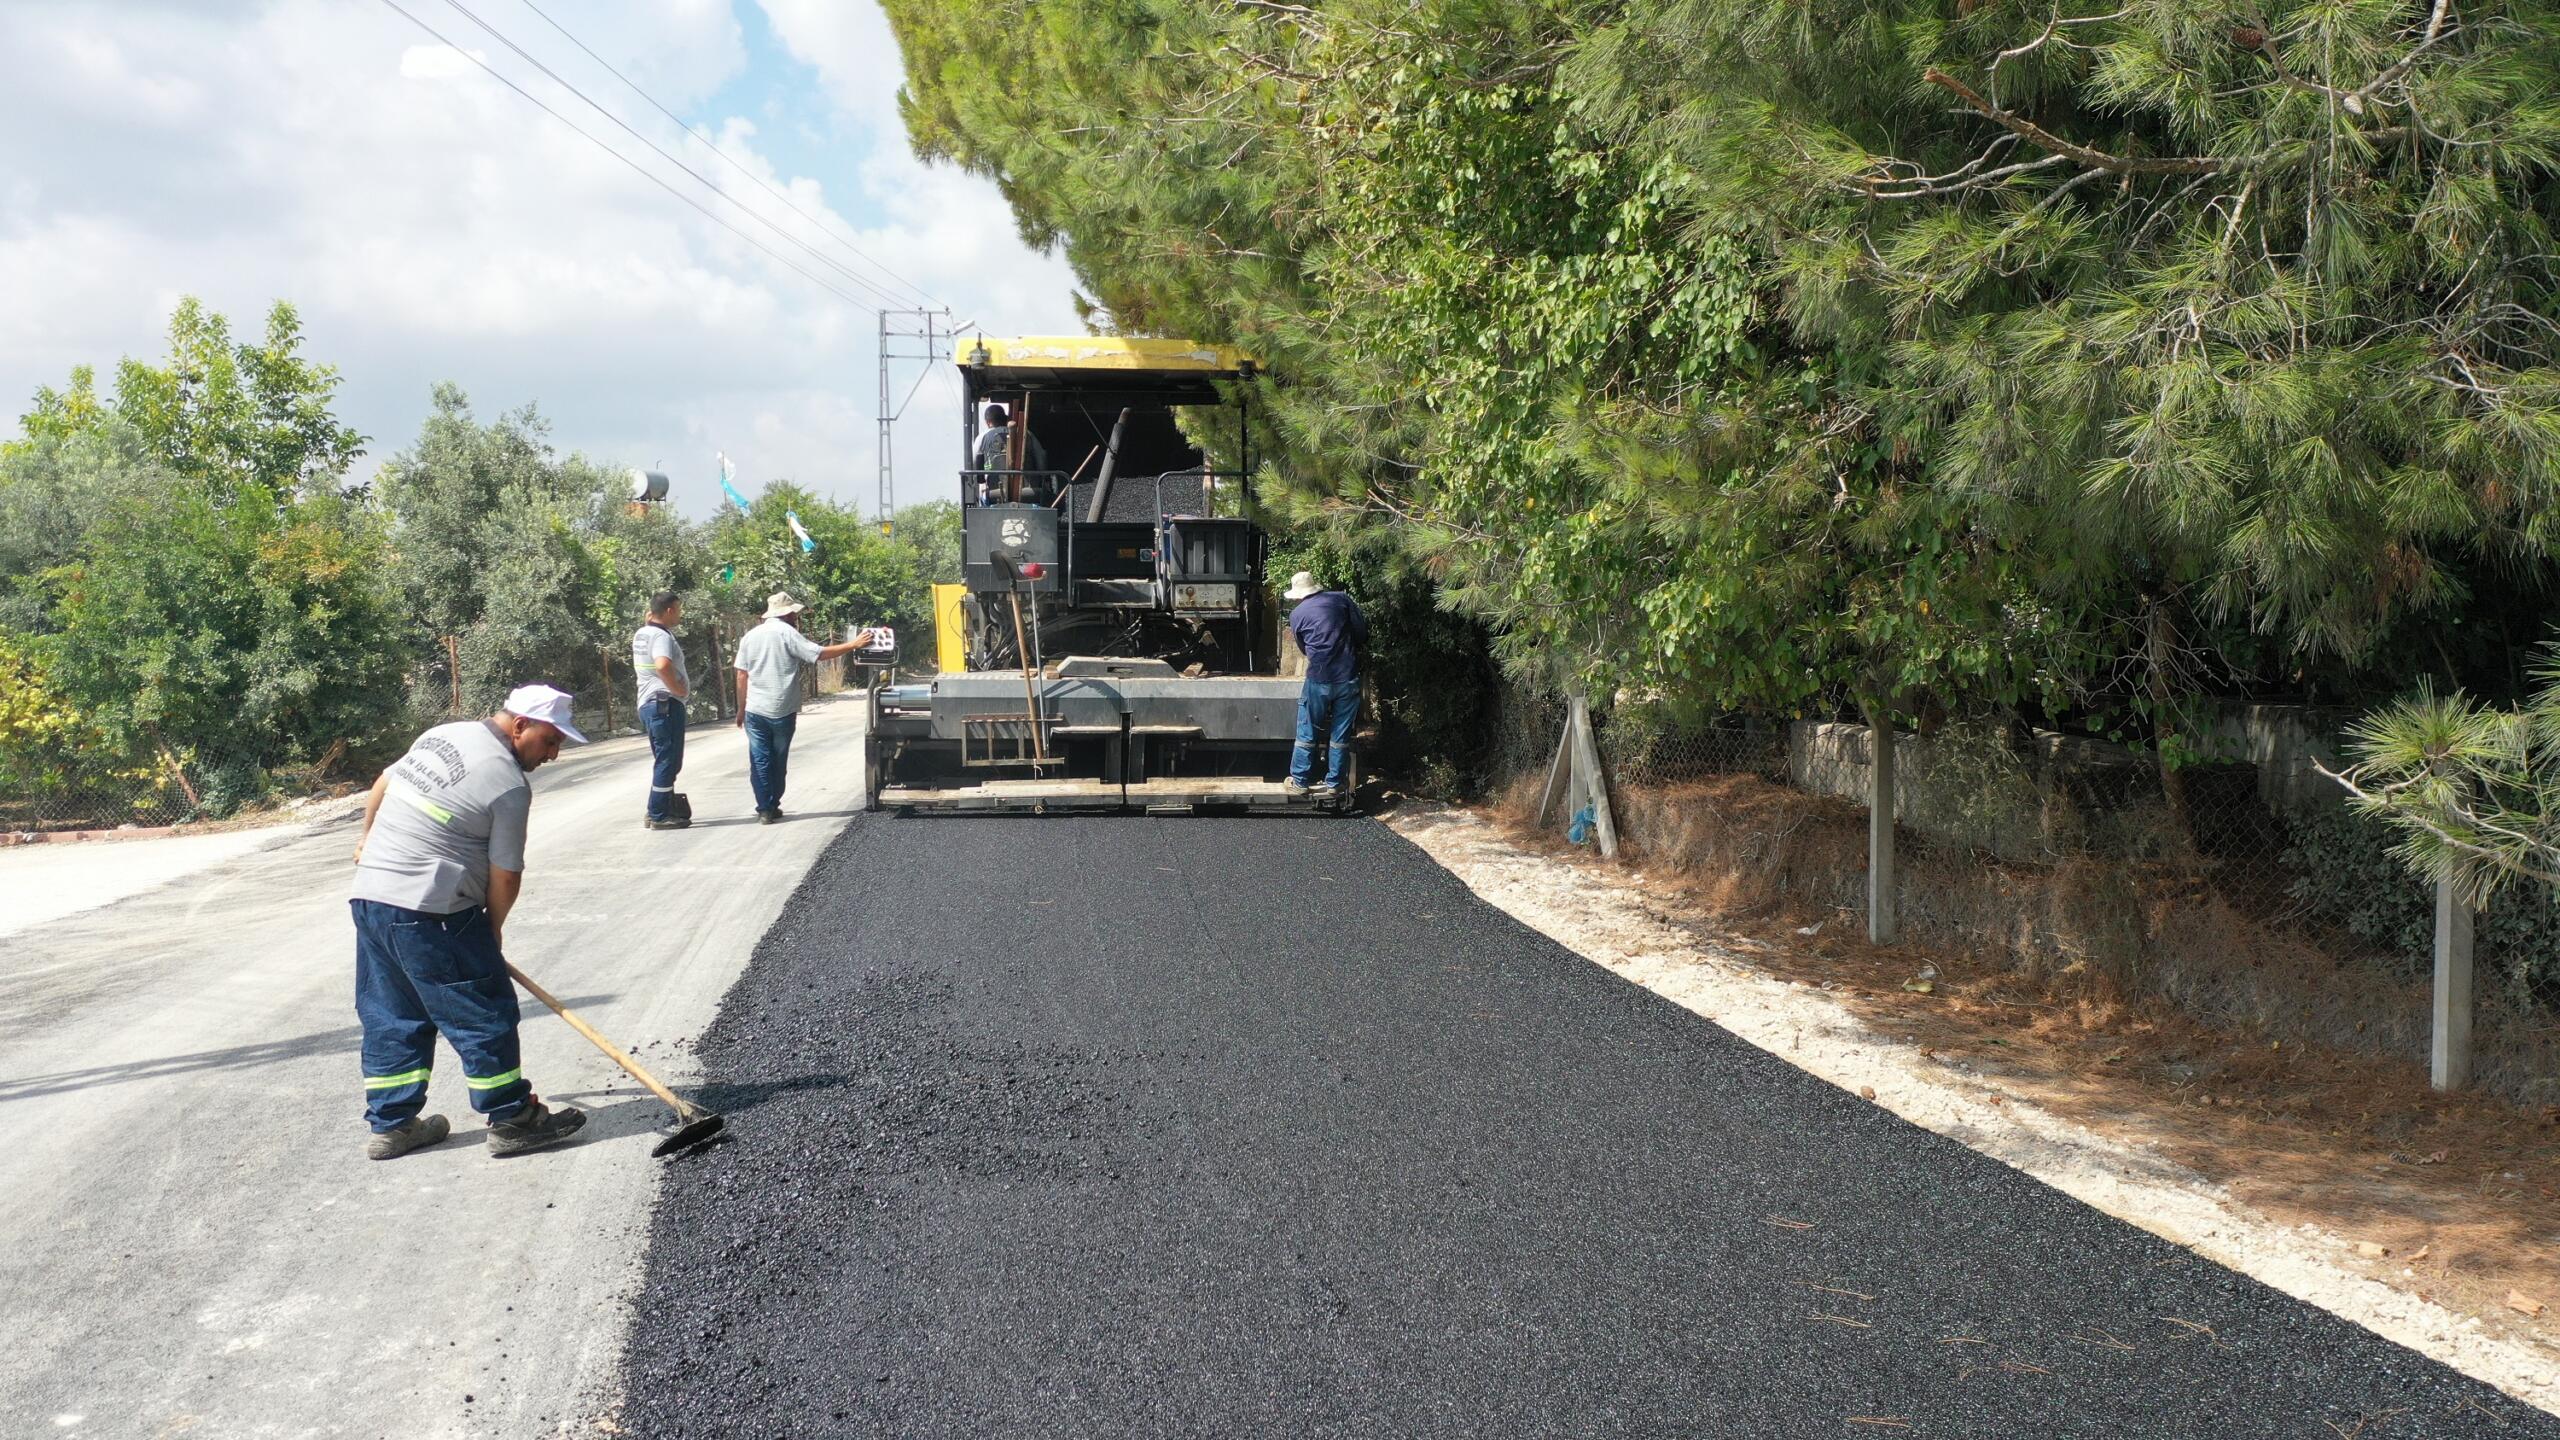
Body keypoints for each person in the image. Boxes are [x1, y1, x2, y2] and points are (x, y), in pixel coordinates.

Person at [347, 684, 591, 1161]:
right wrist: (490, 933)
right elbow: (506, 875)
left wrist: (366, 840)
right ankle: (512, 1118)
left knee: (392, 1012)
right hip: (431, 909)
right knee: (482, 1011)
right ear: (521, 725)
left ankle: (393, 1125)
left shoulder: (445, 734)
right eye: (550, 740)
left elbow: (383, 782)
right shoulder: (507, 783)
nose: (554, 754)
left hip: (371, 897)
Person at [732, 591, 879, 823]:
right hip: (782, 709)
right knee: (778, 759)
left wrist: (741, 708)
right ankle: (772, 804)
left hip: (755, 709)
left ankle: (764, 807)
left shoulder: (750, 636)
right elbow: (818, 654)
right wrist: (854, 644)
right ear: (789, 614)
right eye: (795, 614)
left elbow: (741, 674)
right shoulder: (787, 633)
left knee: (759, 759)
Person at [1282, 570, 1367, 798]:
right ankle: (1335, 784)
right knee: (1340, 733)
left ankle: (1300, 782)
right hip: (1347, 676)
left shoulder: (1297, 614)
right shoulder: (1341, 599)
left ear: (1298, 594)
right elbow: (1361, 632)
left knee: (1307, 729)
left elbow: (1304, 649)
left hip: (1318, 678)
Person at [633, 590, 692, 831]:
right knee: (668, 760)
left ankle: (657, 808)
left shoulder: (642, 633)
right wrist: (677, 689)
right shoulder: (660, 637)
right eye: (677, 610)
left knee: (664, 759)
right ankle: (659, 814)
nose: (679, 615)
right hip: (664, 704)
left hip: (650, 704)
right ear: (668, 611)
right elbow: (662, 665)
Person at [971, 402, 1048, 504]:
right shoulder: (1027, 433)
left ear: (988, 422)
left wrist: (981, 480)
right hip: (1029, 492)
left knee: (983, 496)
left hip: (994, 493)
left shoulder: (982, 437)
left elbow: (975, 461)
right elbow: (1041, 457)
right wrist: (1044, 479)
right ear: (1005, 418)